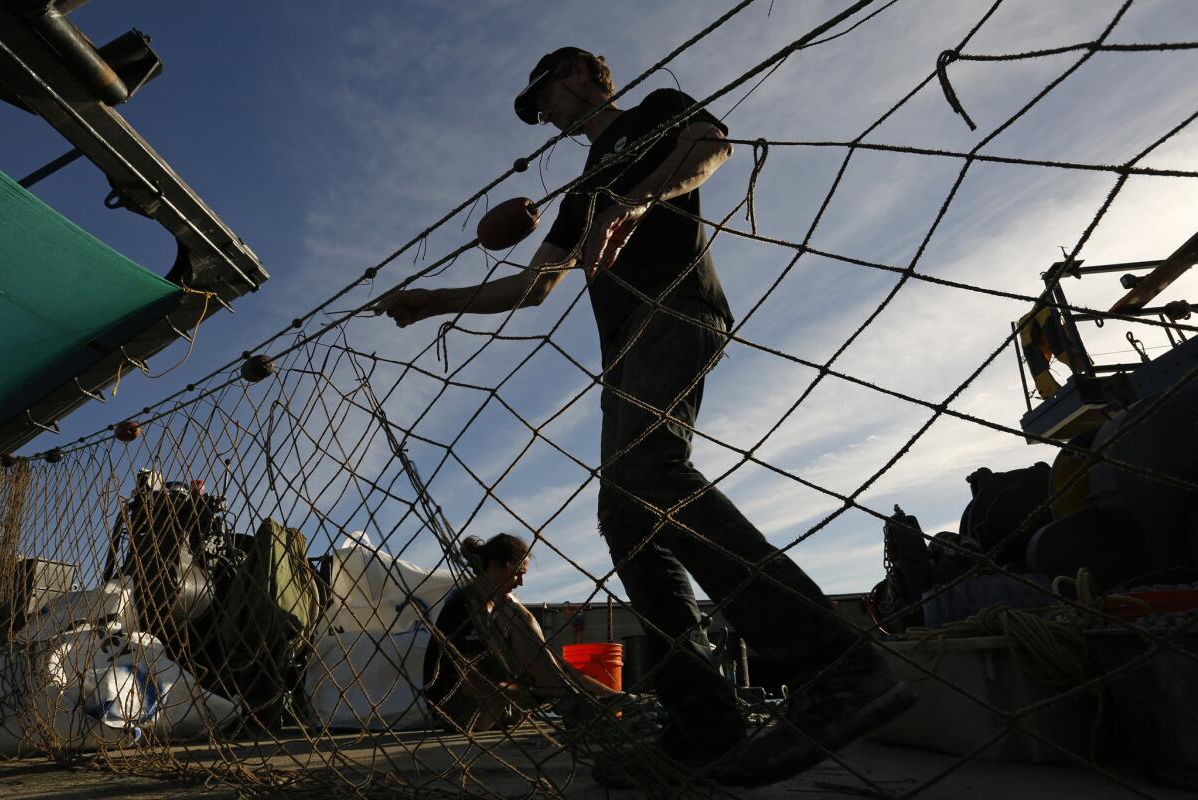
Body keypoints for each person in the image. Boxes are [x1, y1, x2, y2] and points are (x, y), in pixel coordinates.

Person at [381, 48, 914, 785]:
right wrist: (432, 300)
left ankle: (835, 664)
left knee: (650, 470)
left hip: (677, 308)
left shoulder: (652, 113)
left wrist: (638, 199)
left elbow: (710, 147)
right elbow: (535, 288)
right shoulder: (576, 194)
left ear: (581, 76)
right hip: (623, 350)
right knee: (625, 514)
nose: (548, 117)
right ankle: (706, 724)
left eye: (547, 98)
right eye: (538, 112)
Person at [422, 532, 621, 733]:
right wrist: (533, 695)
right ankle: (568, 699)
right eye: (518, 573)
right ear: (495, 566)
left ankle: (606, 698)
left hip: (494, 707)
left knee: (525, 626)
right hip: (457, 712)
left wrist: (605, 694)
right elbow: (472, 683)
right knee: (517, 620)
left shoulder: (496, 607)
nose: (521, 583)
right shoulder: (466, 605)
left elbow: (546, 659)